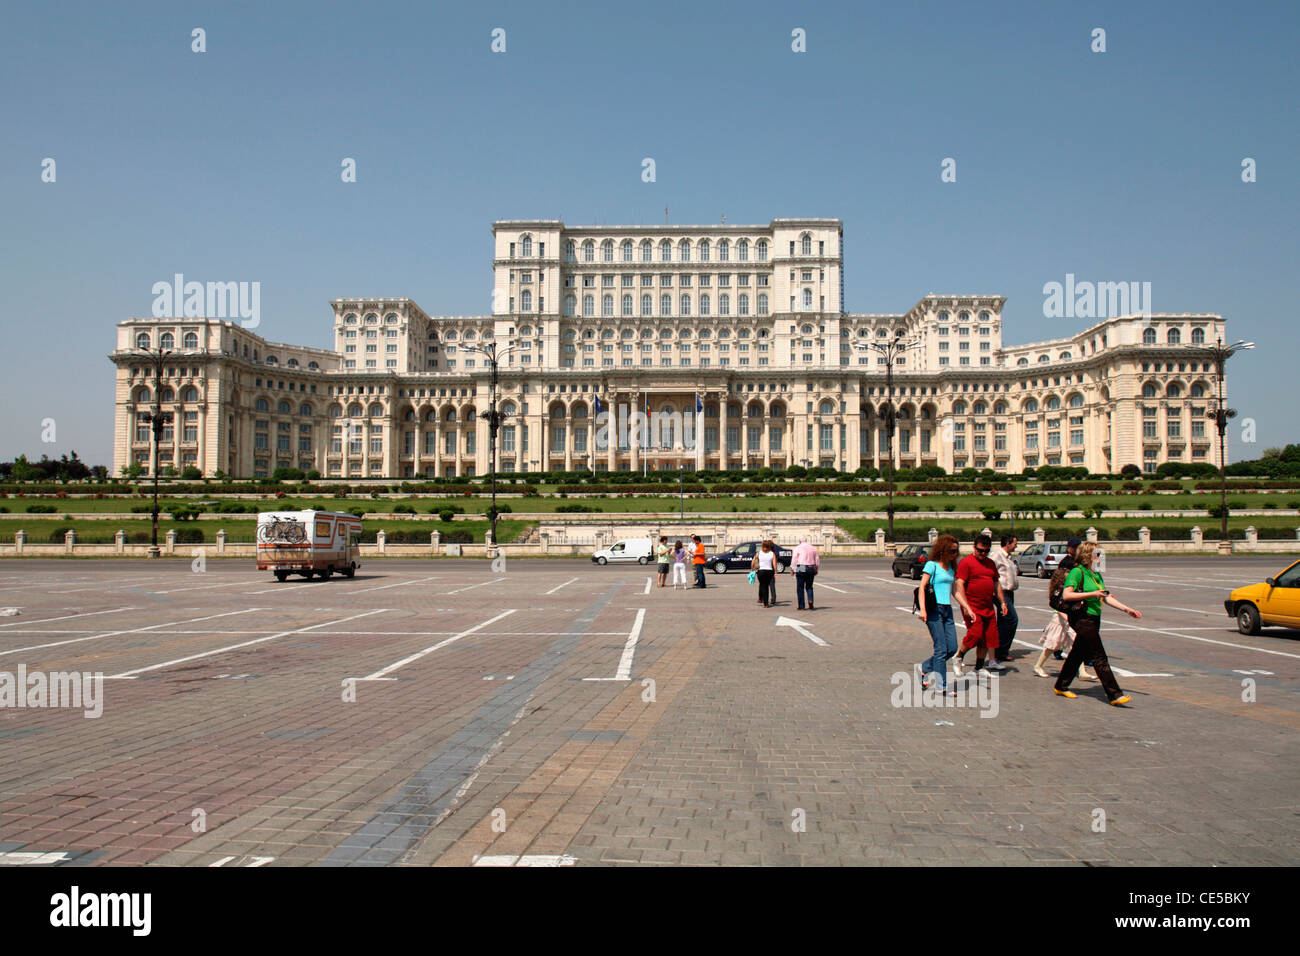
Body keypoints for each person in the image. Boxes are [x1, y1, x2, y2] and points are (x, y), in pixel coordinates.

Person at [1054, 542, 1141, 705]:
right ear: (1088, 555)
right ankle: (1115, 694)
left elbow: (1105, 596)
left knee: (1078, 653)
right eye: (1097, 554)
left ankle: (1061, 685)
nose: (1100, 557)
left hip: (1094, 617)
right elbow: (1066, 595)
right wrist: (1092, 593)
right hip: (1082, 617)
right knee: (1098, 655)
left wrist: (1127, 609)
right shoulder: (1077, 572)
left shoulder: (1095, 574)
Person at [952, 532, 1008, 675]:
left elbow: (996, 584)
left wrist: (1002, 603)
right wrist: (966, 606)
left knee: (987, 637)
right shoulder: (966, 562)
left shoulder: (990, 564)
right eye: (980, 550)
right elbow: (960, 584)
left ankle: (978, 667)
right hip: (973, 607)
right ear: (974, 547)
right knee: (975, 633)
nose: (983, 553)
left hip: (988, 606)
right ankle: (958, 657)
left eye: (986, 551)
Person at [1033, 564, 1098, 681]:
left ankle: (1082, 672)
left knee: (1077, 643)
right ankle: (1038, 666)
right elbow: (1058, 608)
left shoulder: (1068, 589)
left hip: (1069, 620)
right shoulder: (1059, 592)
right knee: (1052, 645)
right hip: (1059, 619)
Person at [916, 534, 960, 695]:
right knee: (941, 649)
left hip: (947, 609)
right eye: (952, 551)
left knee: (952, 647)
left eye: (956, 551)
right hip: (934, 609)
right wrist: (923, 609)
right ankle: (942, 686)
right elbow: (922, 587)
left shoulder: (951, 568)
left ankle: (925, 667)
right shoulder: (931, 565)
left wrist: (967, 607)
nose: (955, 554)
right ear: (942, 550)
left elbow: (954, 590)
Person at [991, 534, 1020, 663]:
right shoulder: (996, 555)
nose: (1016, 546)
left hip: (1009, 592)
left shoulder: (1009, 558)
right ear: (1008, 543)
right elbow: (990, 572)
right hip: (1000, 592)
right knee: (1011, 619)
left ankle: (998, 650)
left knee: (1003, 622)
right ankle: (1001, 650)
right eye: (1015, 543)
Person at [1053, 538, 1083, 659]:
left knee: (1066, 626)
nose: (1076, 549)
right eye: (1074, 547)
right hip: (1067, 595)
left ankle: (1058, 648)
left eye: (1078, 547)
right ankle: (1057, 648)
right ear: (1069, 548)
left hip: (1077, 594)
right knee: (1064, 625)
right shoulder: (1066, 562)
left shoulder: (1080, 561)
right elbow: (1059, 580)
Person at [791, 535, 820, 611]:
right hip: (811, 566)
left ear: (799, 541)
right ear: (806, 541)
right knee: (809, 586)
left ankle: (801, 605)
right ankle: (810, 600)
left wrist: (792, 569)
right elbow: (817, 559)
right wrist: (816, 568)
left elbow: (794, 559)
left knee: (800, 587)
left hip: (801, 566)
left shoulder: (797, 548)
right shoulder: (813, 548)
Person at [752, 539, 778, 607]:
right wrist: (775, 572)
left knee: (763, 586)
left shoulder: (759, 553)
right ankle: (766, 602)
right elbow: (774, 564)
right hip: (769, 572)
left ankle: (765, 603)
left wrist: (752, 569)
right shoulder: (772, 553)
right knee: (766, 586)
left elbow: (753, 561)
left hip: (761, 571)